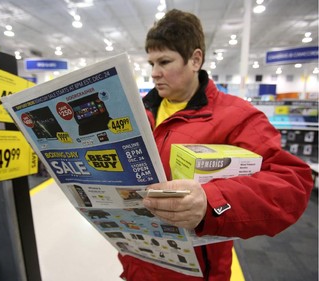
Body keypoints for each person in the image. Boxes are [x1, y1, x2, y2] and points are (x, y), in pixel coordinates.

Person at [118, 9, 313, 281]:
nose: (155, 73)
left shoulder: (237, 117)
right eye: (151, 63)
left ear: (195, 59)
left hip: (194, 272)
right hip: (138, 262)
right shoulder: (138, 112)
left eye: (164, 61)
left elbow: (292, 184)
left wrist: (211, 202)